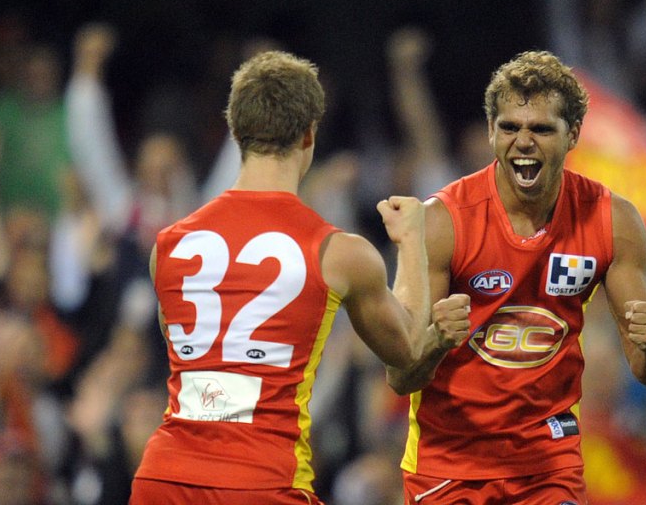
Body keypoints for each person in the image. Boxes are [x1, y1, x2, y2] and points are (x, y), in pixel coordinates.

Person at [129, 51, 468, 504]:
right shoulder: (338, 252)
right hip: (262, 481)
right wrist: (411, 241)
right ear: (310, 134)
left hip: (162, 480)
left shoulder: (167, 246)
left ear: (235, 131)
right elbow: (406, 349)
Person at [387, 50, 646, 504]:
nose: (523, 141)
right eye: (509, 127)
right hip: (449, 466)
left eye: (541, 129)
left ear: (573, 134)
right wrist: (436, 342)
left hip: (548, 466)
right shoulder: (443, 221)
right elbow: (399, 375)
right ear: (490, 131)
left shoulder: (612, 220)